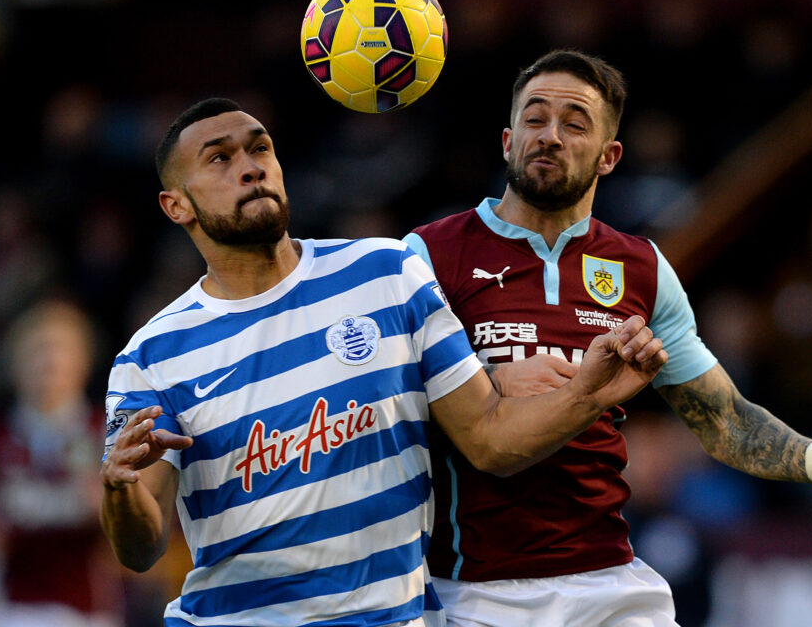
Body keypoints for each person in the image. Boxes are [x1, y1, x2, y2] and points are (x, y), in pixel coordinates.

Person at [401, 49, 812, 627]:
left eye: (574, 123)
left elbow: (724, 420)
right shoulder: (428, 256)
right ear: (507, 141)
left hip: (608, 584)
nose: (549, 136)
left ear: (609, 156)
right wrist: (485, 380)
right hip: (473, 590)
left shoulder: (641, 267)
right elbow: (385, 411)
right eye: (534, 118)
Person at [99, 98, 668, 627]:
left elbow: (489, 437)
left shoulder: (386, 274)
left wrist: (585, 396)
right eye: (219, 159)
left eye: (260, 148)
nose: (250, 168)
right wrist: (120, 490)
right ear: (177, 205)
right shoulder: (150, 358)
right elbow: (141, 548)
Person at [0, 297, 125, 627]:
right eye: (38, 349)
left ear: (84, 361)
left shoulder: (106, 431)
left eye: (61, 349)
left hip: (88, 607)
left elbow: (137, 520)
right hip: (5, 607)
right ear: (15, 363)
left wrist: (108, 507)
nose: (49, 361)